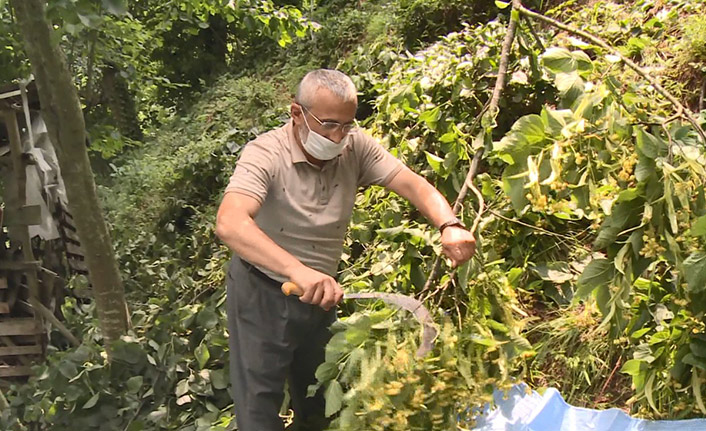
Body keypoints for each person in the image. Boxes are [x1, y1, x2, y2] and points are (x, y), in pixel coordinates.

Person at [215, 69, 476, 431]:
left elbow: (412, 184)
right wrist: (297, 270)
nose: (338, 136)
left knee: (320, 392)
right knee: (259, 405)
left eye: (347, 124)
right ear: (296, 114)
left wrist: (450, 225)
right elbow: (230, 222)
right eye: (328, 124)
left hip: (320, 297)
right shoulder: (265, 154)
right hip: (261, 294)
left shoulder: (356, 147)